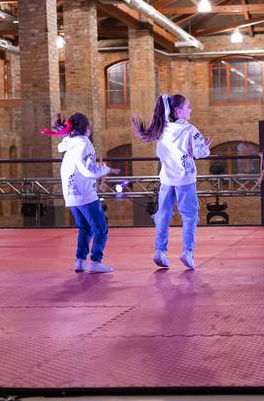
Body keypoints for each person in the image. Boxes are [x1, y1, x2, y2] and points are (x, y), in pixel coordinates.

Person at [132, 94, 211, 270]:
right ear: (179, 111)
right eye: (188, 107)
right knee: (190, 216)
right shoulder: (190, 130)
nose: (190, 110)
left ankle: (160, 251)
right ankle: (187, 252)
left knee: (163, 215)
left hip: (167, 178)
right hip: (185, 179)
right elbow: (200, 153)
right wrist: (206, 147)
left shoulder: (163, 128)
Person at [43, 113, 119, 273]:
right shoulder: (84, 144)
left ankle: (80, 260)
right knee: (100, 228)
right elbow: (88, 170)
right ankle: (96, 261)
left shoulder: (70, 145)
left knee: (85, 228)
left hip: (71, 195)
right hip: (85, 194)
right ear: (86, 128)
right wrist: (107, 169)